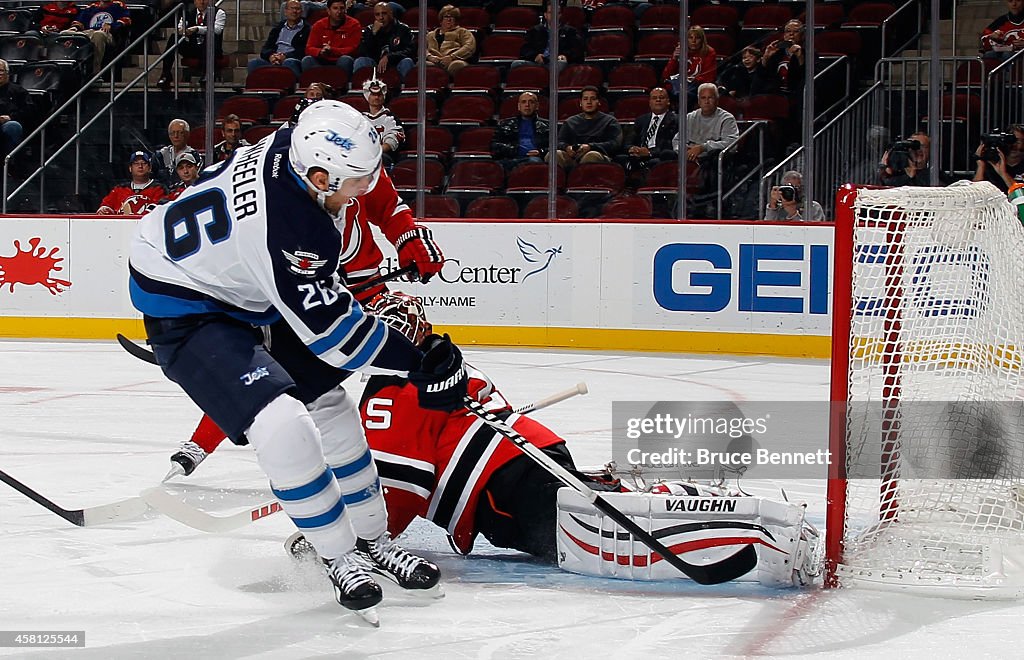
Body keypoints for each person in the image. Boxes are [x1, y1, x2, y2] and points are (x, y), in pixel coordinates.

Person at [129, 100, 455, 622]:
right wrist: (418, 359)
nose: (363, 194)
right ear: (322, 177)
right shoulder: (293, 229)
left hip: (239, 281)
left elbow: (359, 169)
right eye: (353, 185)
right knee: (283, 424)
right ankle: (340, 555)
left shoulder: (303, 145)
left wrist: (405, 231)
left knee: (329, 404)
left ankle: (372, 542)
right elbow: (338, 340)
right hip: (185, 304)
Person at [156, 0, 225, 89]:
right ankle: (166, 75)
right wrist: (182, 30)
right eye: (199, 0)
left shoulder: (219, 12)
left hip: (212, 49)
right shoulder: (188, 13)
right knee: (174, 37)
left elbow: (217, 29)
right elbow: (180, 27)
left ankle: (207, 75)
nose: (202, 2)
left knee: (210, 37)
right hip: (194, 47)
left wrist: (197, 29)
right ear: (195, 1)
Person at [551, 85, 622, 168]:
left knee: (592, 155)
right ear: (580, 103)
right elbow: (559, 142)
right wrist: (567, 147)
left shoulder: (610, 121)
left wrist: (591, 147)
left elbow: (615, 144)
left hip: (599, 156)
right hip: (573, 157)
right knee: (555, 154)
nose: (589, 102)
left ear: (598, 102)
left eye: (593, 99)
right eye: (585, 99)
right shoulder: (570, 121)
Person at [619, 86, 677, 186]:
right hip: (638, 155)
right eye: (654, 98)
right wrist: (632, 149)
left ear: (668, 101)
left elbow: (670, 145)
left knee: (658, 161)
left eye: (661, 97)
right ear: (650, 102)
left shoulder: (676, 120)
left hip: (659, 156)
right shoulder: (641, 120)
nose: (658, 100)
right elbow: (628, 141)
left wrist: (649, 152)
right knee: (620, 159)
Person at [62, 0, 131, 76]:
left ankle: (96, 72)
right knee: (65, 33)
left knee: (98, 34)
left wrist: (111, 25)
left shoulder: (118, 5)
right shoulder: (92, 7)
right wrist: (75, 28)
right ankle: (64, 70)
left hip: (108, 34)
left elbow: (126, 20)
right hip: (89, 32)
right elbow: (79, 21)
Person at [352, 2, 415, 81]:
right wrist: (373, 34)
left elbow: (410, 51)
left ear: (391, 14)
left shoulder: (403, 29)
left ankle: (407, 90)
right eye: (377, 15)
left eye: (384, 13)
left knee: (407, 62)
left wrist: (389, 57)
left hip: (396, 63)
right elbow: (363, 51)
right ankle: (361, 90)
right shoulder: (370, 30)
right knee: (360, 61)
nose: (381, 17)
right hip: (376, 63)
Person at [513, 2, 583, 72]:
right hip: (538, 62)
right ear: (545, 15)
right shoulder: (535, 30)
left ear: (560, 15)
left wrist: (565, 56)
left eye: (557, 13)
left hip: (558, 62)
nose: (554, 15)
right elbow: (525, 49)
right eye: (550, 13)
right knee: (516, 64)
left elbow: (577, 50)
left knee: (559, 65)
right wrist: (535, 56)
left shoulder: (570, 31)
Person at [247, 0, 309, 78]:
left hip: (292, 60)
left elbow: (304, 50)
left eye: (297, 9)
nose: (294, 11)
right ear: (285, 11)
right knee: (254, 63)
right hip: (275, 59)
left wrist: (285, 56)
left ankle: (291, 88)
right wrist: (271, 56)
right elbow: (266, 48)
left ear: (301, 12)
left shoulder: (307, 29)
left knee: (289, 62)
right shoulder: (277, 28)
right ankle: (255, 88)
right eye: (292, 8)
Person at [491, 91, 549, 171]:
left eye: (531, 102)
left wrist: (541, 152)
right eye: (523, 102)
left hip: (535, 159)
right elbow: (495, 145)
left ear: (537, 106)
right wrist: (516, 150)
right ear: (519, 106)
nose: (527, 105)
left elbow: (556, 146)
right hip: (510, 159)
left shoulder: (548, 125)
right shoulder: (505, 124)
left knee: (534, 162)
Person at [301, 0, 362, 74]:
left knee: (345, 60)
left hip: (342, 59)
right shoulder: (319, 25)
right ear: (328, 11)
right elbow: (309, 48)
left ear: (345, 10)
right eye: (335, 8)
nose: (339, 12)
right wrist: (320, 52)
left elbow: (353, 49)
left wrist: (332, 50)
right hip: (322, 59)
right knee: (307, 60)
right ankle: (316, 84)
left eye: (342, 8)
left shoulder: (354, 24)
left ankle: (341, 84)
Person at [96, 150, 167, 214]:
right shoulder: (119, 189)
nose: (140, 166)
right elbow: (105, 206)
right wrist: (105, 210)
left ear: (150, 168)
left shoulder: (159, 189)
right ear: (130, 168)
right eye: (136, 163)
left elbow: (158, 210)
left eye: (144, 163)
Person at [662, 26, 716, 107]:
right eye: (690, 38)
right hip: (679, 85)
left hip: (697, 85)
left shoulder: (709, 52)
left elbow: (709, 76)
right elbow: (666, 75)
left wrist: (691, 80)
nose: (693, 41)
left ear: (702, 40)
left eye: (697, 38)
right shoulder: (680, 50)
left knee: (687, 95)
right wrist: (674, 58)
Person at [878, 131, 949, 187]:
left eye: (923, 146)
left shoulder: (935, 174)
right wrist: (884, 169)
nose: (918, 150)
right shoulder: (897, 173)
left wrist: (914, 176)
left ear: (930, 151)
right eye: (914, 146)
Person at [361, 75, 404, 168]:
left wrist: (376, 151)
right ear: (367, 96)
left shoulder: (391, 118)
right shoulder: (360, 119)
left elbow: (392, 140)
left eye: (379, 94)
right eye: (373, 94)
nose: (376, 97)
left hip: (384, 158)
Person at [425, 5, 475, 76]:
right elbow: (422, 49)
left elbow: (469, 47)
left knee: (458, 65)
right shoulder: (430, 34)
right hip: (434, 61)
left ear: (456, 20)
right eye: (446, 17)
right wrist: (429, 56)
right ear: (441, 19)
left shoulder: (463, 32)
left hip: (454, 60)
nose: (449, 19)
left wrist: (452, 57)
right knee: (423, 65)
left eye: (452, 17)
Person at [972, 124, 1024, 193]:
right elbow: (975, 192)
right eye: (1009, 140)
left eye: (1017, 141)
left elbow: (1021, 197)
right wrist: (981, 166)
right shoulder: (992, 161)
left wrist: (1004, 174)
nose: (1013, 145)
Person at [152, 118, 203, 187]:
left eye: (180, 132)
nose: (176, 136)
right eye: (172, 133)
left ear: (187, 134)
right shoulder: (160, 155)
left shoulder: (195, 157)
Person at [0, 60, 28, 159]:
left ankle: (10, 165)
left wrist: (10, 117)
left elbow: (29, 112)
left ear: (7, 73)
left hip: (8, 124)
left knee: (13, 126)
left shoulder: (18, 91)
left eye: (1, 71)